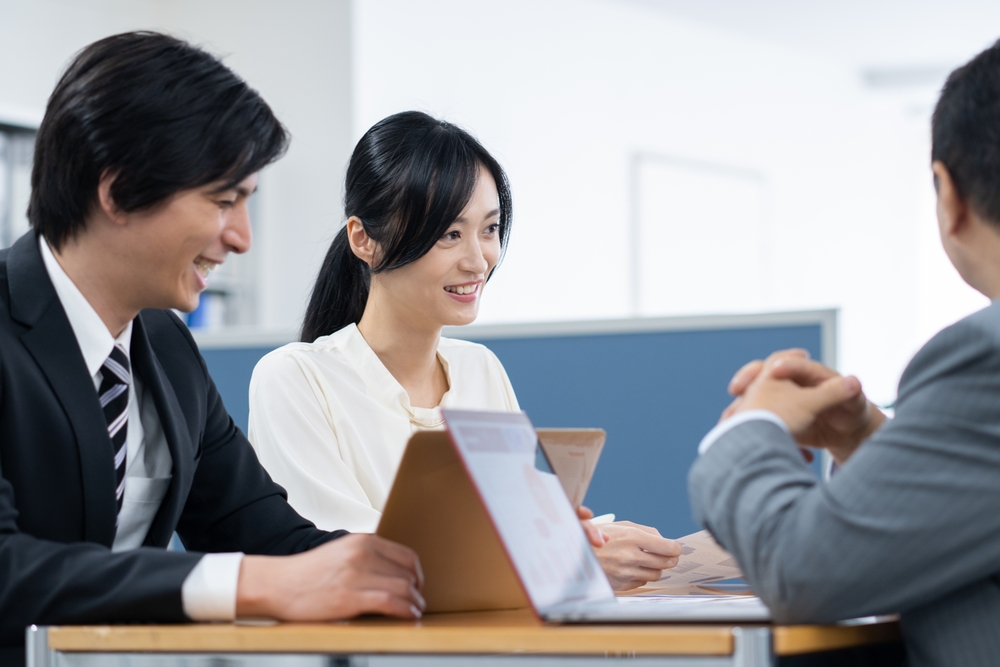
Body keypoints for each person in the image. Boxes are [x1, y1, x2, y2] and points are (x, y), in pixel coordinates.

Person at [0, 31, 426, 664]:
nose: (243, 239)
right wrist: (250, 585)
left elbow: (273, 540)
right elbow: (9, 569)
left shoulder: (167, 349)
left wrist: (494, 560)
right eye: (224, 201)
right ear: (116, 192)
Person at [249, 111, 682, 591]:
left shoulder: (480, 370)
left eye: (490, 229)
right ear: (364, 239)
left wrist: (581, 539)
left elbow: (509, 541)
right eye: (449, 234)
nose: (478, 261)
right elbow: (348, 561)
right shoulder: (295, 379)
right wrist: (562, 557)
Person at [688, 39, 1000, 667]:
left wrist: (753, 426)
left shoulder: (984, 354)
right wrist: (865, 439)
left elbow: (803, 572)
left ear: (947, 194)